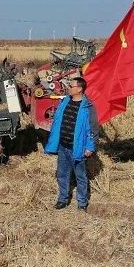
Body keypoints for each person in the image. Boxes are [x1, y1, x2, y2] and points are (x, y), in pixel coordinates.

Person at [44, 77, 99, 212]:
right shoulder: (65, 102)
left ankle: (82, 202)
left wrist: (90, 147)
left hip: (77, 148)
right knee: (62, 174)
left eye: (71, 86)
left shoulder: (88, 107)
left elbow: (93, 129)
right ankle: (63, 199)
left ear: (79, 89)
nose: (68, 88)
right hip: (63, 146)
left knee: (80, 176)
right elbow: (57, 121)